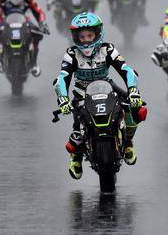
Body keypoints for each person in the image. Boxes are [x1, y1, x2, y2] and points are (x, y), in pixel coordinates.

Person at [54, 12, 144, 179]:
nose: (86, 40)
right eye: (82, 37)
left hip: (108, 89)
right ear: (75, 37)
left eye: (89, 35)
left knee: (137, 109)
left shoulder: (108, 49)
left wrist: (133, 91)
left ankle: (128, 143)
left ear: (97, 34)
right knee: (78, 124)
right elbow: (62, 78)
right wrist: (63, 100)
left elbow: (126, 70)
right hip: (82, 94)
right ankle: (76, 157)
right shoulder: (71, 54)